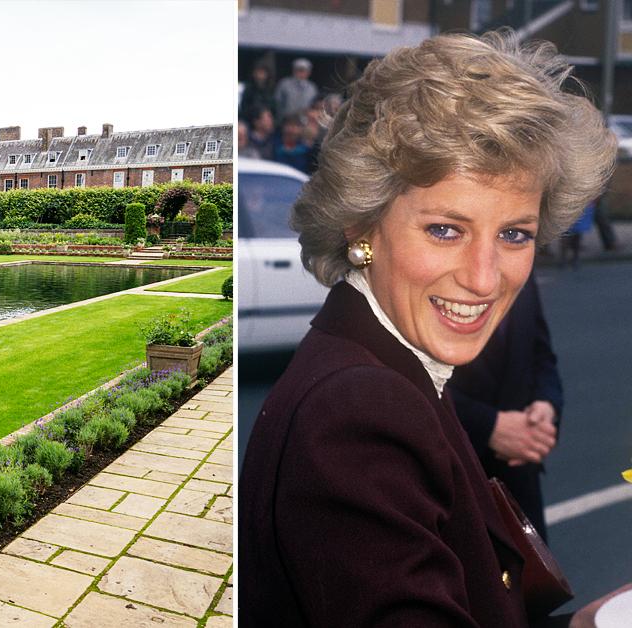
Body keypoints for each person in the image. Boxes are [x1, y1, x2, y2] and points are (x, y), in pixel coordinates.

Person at [239, 30, 615, 628]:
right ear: (361, 226)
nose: (485, 278)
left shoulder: (393, 369)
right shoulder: (360, 413)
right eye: (446, 229)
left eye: (514, 234)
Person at [448, 272, 562, 542]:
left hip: (519, 480)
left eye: (518, 233)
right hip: (451, 480)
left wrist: (546, 403)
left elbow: (540, 351)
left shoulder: (522, 262)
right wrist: (489, 426)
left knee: (535, 582)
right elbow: (396, 370)